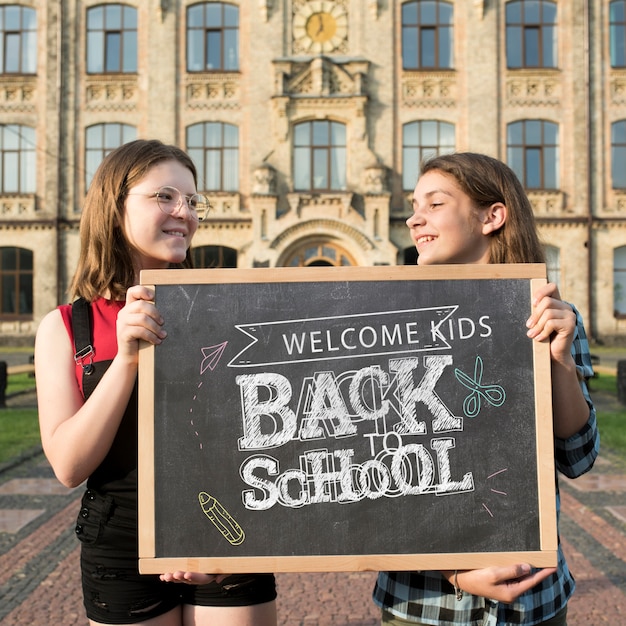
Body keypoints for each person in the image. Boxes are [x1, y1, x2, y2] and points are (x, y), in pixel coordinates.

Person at [35, 139, 277, 626]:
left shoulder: (224, 310)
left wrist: (209, 535)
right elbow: (68, 465)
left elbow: (259, 435)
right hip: (120, 542)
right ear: (114, 204)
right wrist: (126, 359)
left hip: (225, 530)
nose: (183, 212)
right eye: (165, 196)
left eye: (192, 201)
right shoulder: (67, 327)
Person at [373, 152, 600, 626]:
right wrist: (454, 570)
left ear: (492, 216)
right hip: (423, 604)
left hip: (533, 602)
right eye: (414, 206)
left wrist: (558, 361)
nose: (414, 220)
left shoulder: (552, 317)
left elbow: (577, 457)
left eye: (434, 204)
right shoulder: (386, 324)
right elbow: (373, 482)